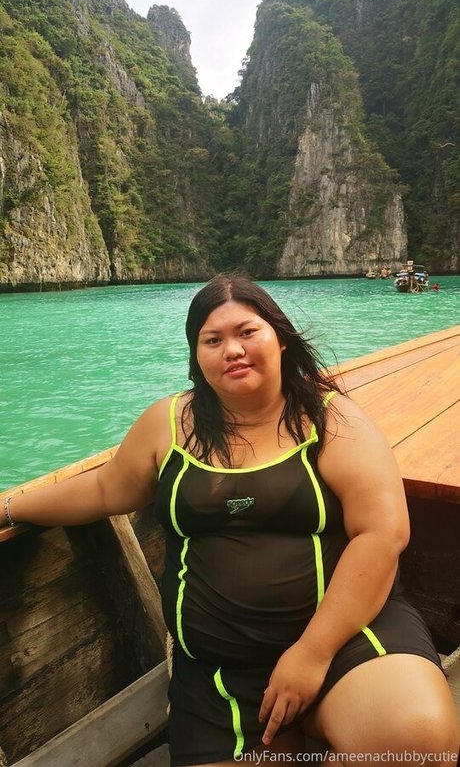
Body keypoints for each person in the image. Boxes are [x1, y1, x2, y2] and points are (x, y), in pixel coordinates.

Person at [1, 274, 458, 764]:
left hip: (344, 643)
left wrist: (312, 653)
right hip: (219, 674)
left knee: (416, 743)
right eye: (212, 340)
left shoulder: (330, 420)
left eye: (247, 332)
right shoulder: (169, 423)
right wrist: (9, 507)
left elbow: (382, 533)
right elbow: (103, 489)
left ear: (280, 338)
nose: (232, 350)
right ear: (196, 356)